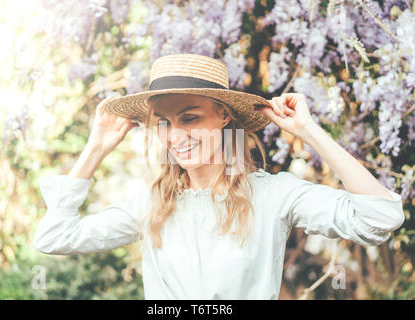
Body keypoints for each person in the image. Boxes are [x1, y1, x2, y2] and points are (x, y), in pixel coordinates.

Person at [33, 53, 405, 299]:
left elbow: (380, 218)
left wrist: (308, 132)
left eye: (190, 118)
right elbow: (54, 237)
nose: (175, 136)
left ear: (224, 116)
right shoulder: (152, 205)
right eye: (163, 123)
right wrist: (95, 149)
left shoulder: (273, 196)